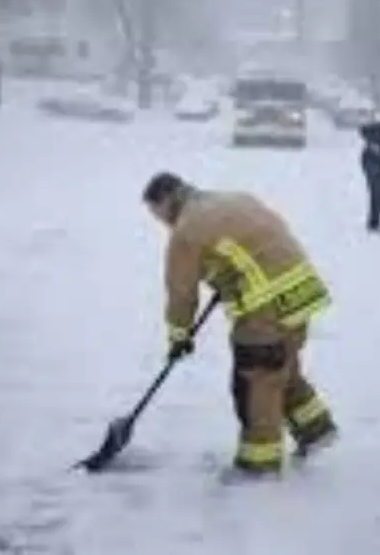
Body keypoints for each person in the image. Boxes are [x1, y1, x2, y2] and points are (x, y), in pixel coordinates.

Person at [142, 171, 339, 478]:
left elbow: (182, 293)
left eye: (157, 215)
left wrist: (178, 336)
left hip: (266, 306)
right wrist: (228, 274)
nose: (162, 223)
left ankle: (259, 465)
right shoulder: (234, 198)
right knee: (280, 368)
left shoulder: (186, 231)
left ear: (165, 202)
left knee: (255, 383)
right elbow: (254, 244)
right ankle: (315, 428)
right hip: (303, 291)